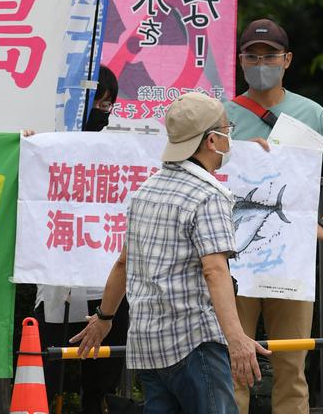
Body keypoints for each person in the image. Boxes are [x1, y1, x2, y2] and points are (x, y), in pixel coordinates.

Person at [70, 91, 269, 414]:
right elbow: (214, 270)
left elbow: (123, 262)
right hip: (196, 341)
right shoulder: (208, 196)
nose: (229, 135)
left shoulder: (144, 192)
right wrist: (237, 338)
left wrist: (105, 318)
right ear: (211, 140)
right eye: (226, 129)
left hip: (148, 342)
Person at [225, 18, 323, 414]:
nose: (261, 62)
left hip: (292, 261)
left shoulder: (311, 113)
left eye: (269, 55)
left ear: (287, 60)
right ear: (240, 60)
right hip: (235, 260)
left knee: (291, 367)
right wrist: (235, 152)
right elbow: (202, 172)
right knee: (233, 363)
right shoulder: (221, 114)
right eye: (252, 55)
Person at [34, 67, 128, 414]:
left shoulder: (122, 143)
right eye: (96, 102)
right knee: (49, 369)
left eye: (108, 103)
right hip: (59, 281)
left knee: (102, 377)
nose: (102, 110)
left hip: (108, 283)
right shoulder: (51, 139)